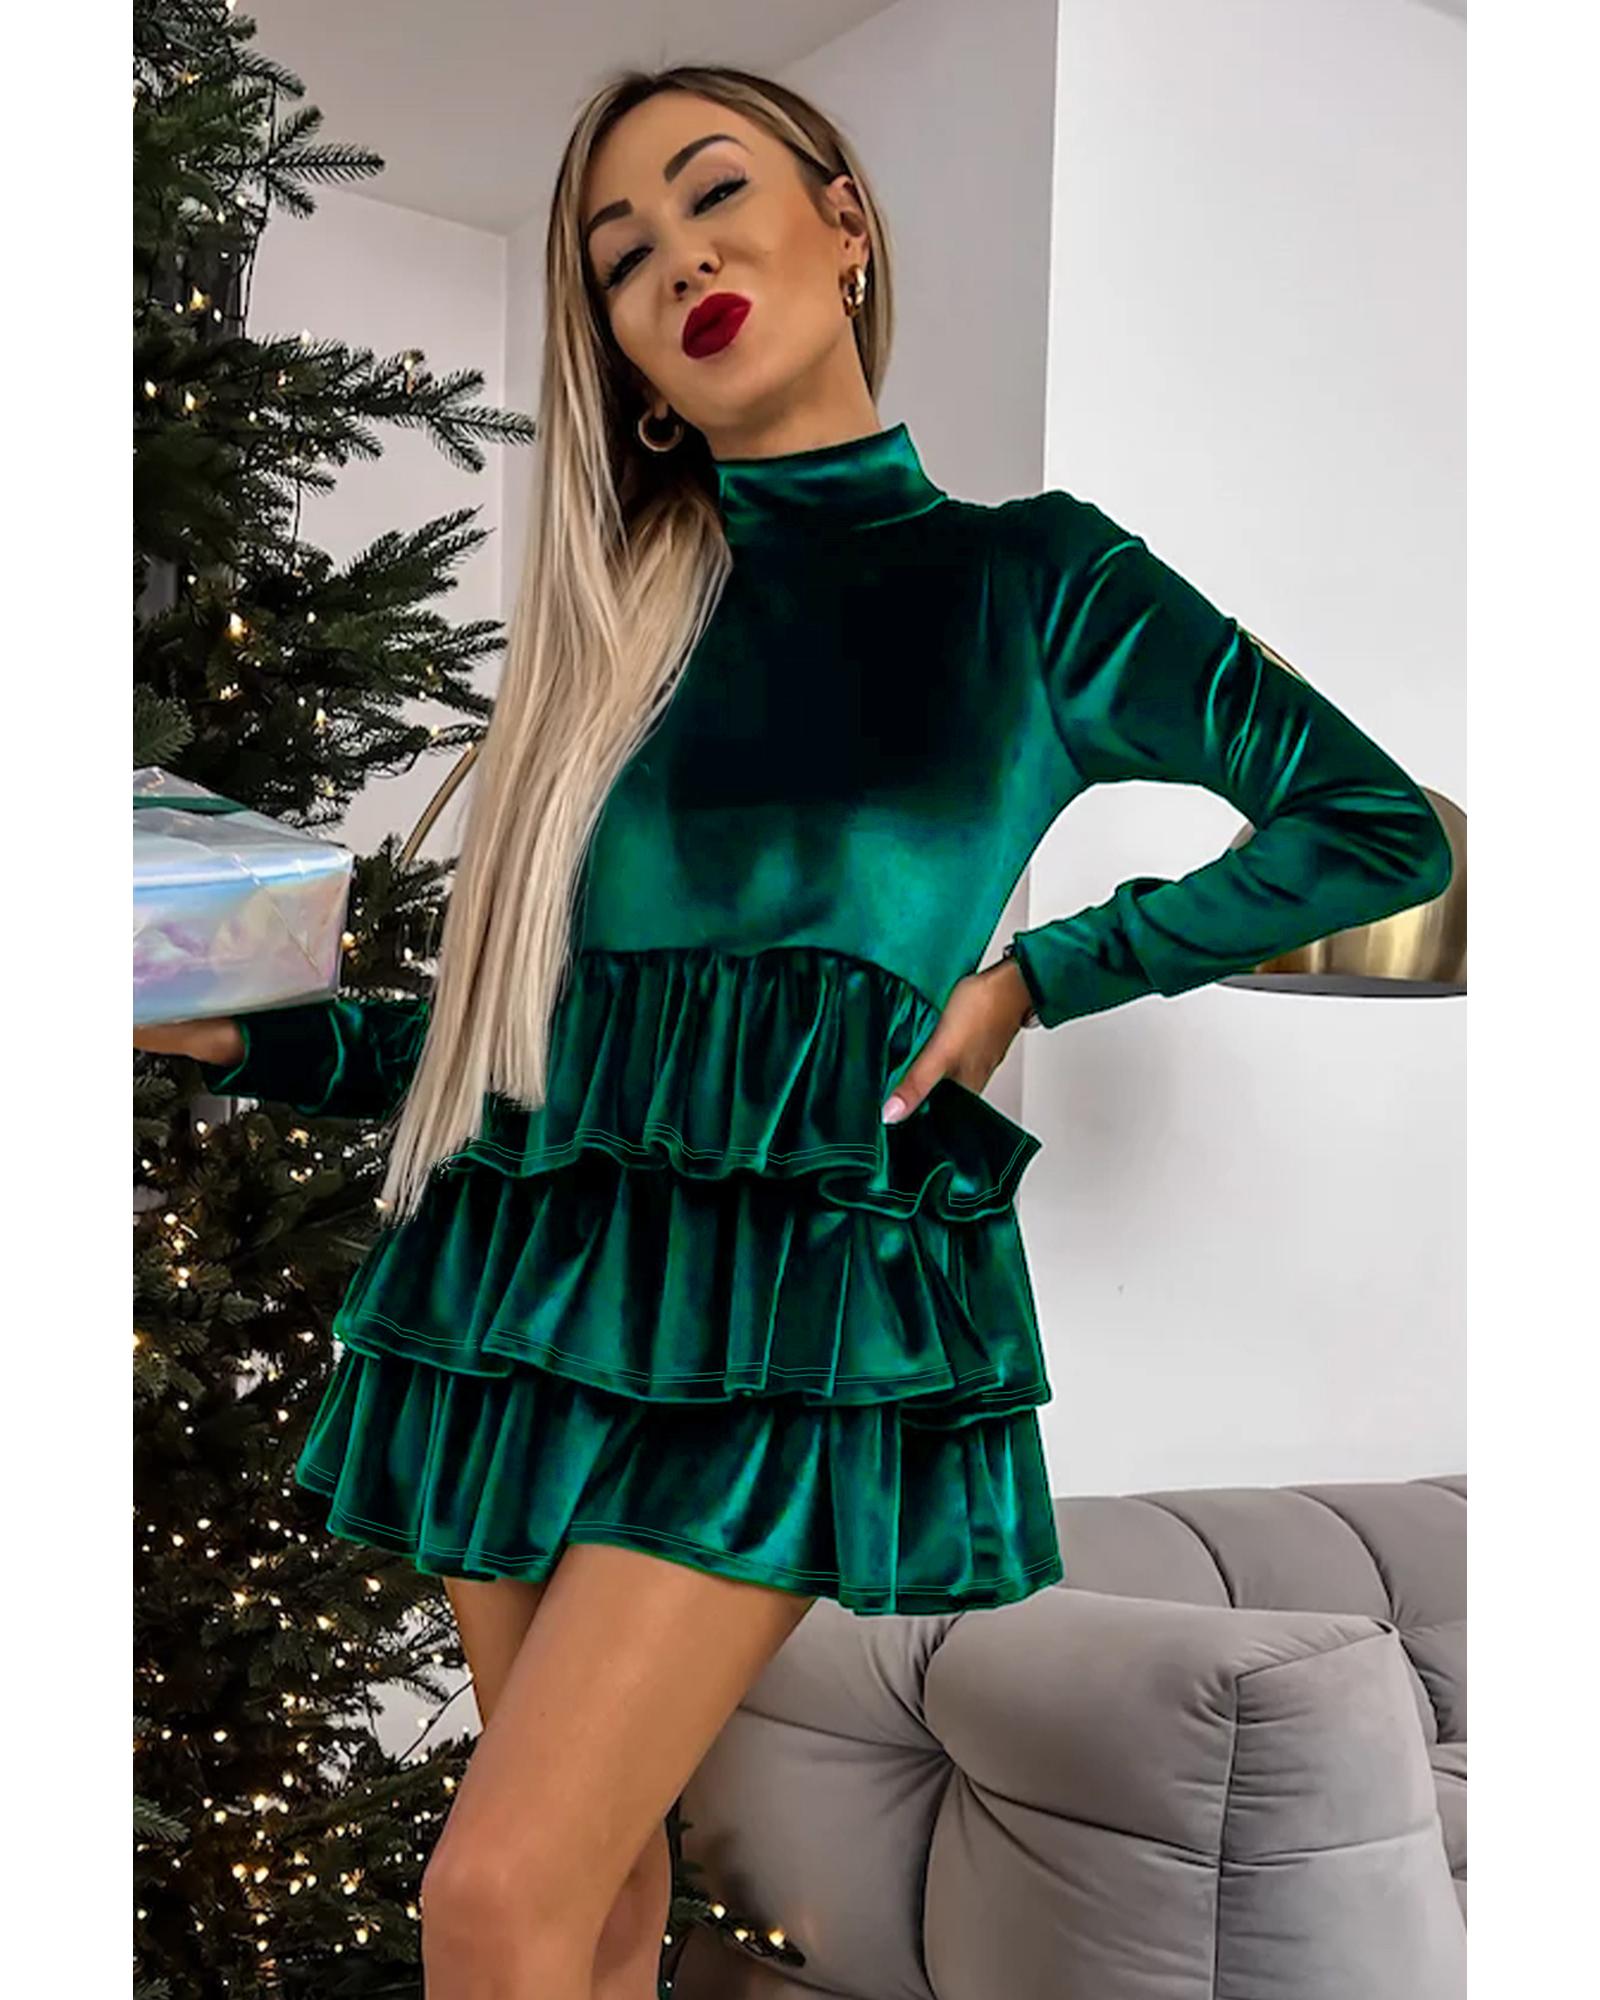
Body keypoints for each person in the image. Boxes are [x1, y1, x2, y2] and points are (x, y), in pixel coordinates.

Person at [135, 63, 1453, 2000]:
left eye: (712, 194)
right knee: (586, 1896)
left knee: (490, 1899)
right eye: (620, 255)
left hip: (792, 1291)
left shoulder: (1034, 580)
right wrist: (237, 1038)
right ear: (623, 354)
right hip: (525, 1281)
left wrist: (1035, 977)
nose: (677, 261)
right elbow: (520, 1065)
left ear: (843, 224)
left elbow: (1375, 827)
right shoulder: (618, 630)